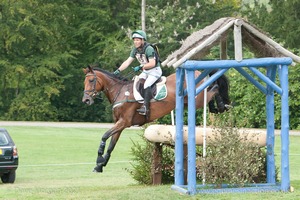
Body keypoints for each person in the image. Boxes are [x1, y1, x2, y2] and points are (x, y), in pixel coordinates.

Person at [114, 30, 162, 116]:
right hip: (146, 71)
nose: (135, 42)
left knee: (146, 84)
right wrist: (118, 70)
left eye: (138, 40)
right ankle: (137, 103)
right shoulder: (135, 50)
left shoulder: (149, 49)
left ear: (143, 40)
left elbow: (152, 63)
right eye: (134, 40)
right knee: (136, 82)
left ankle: (146, 107)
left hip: (155, 71)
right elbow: (128, 61)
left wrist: (140, 66)